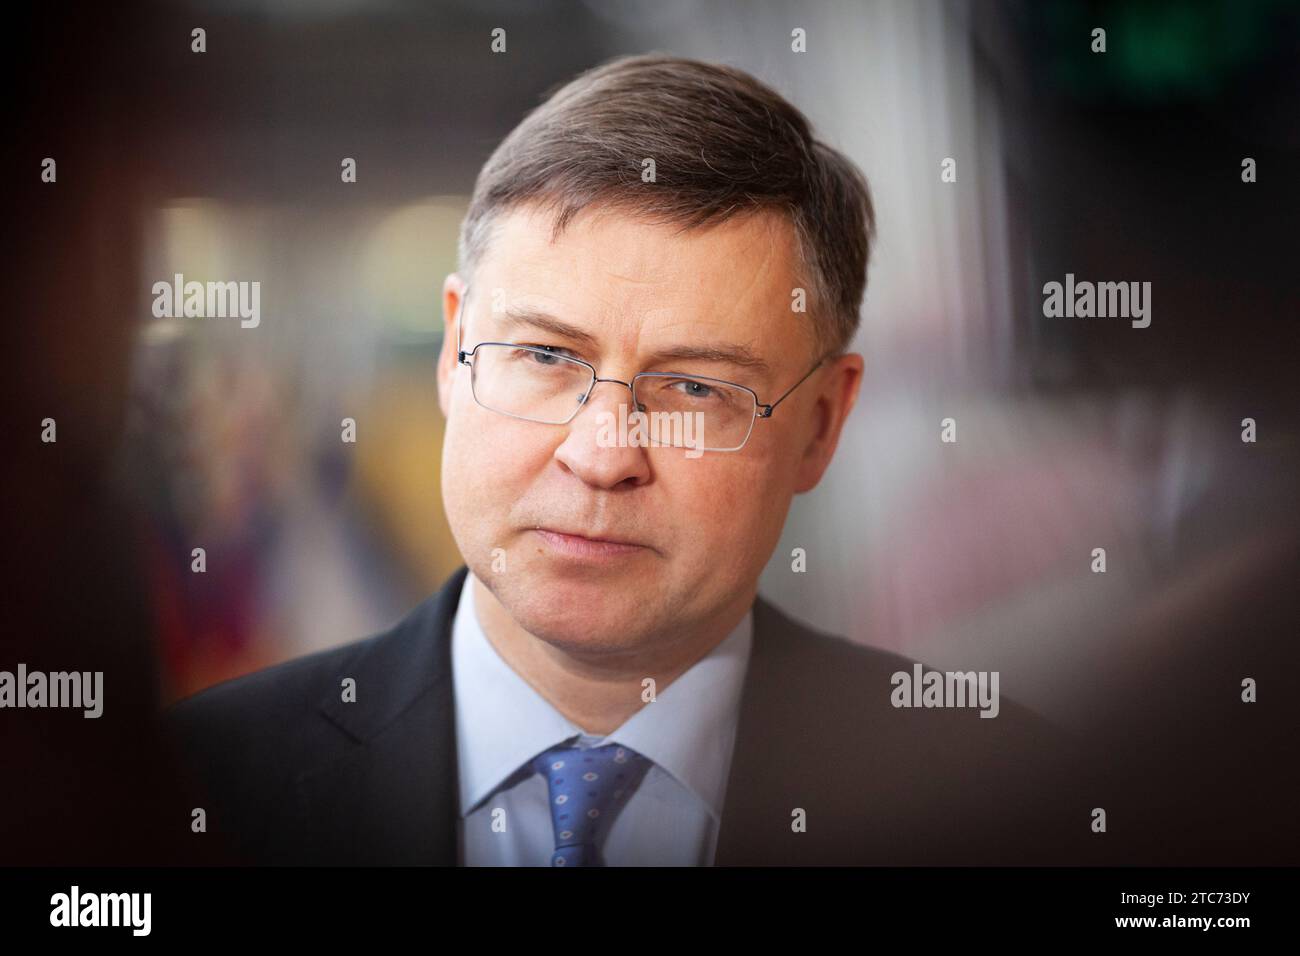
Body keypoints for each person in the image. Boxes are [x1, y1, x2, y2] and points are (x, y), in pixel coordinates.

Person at [163, 53, 1089, 866]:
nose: (603, 457)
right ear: (454, 354)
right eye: (544, 358)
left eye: (695, 388)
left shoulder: (1015, 803)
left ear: (819, 425)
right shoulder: (182, 796)